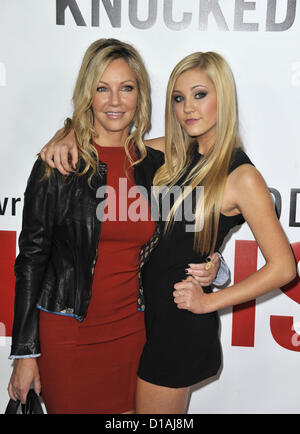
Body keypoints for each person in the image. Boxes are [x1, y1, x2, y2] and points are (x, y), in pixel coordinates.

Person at [41, 50, 296, 414]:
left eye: (200, 95)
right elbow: (105, 138)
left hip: (179, 330)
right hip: (139, 324)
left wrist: (210, 301)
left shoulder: (241, 177)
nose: (187, 108)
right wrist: (67, 133)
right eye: (178, 98)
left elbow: (284, 267)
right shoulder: (170, 155)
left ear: (223, 98)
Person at [7, 39, 226, 414]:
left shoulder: (156, 165)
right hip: (69, 337)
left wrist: (216, 264)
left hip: (134, 334)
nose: (114, 101)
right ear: (87, 94)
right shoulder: (58, 166)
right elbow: (30, 261)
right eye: (102, 88)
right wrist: (25, 354)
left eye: (126, 88)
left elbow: (182, 237)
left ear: (140, 95)